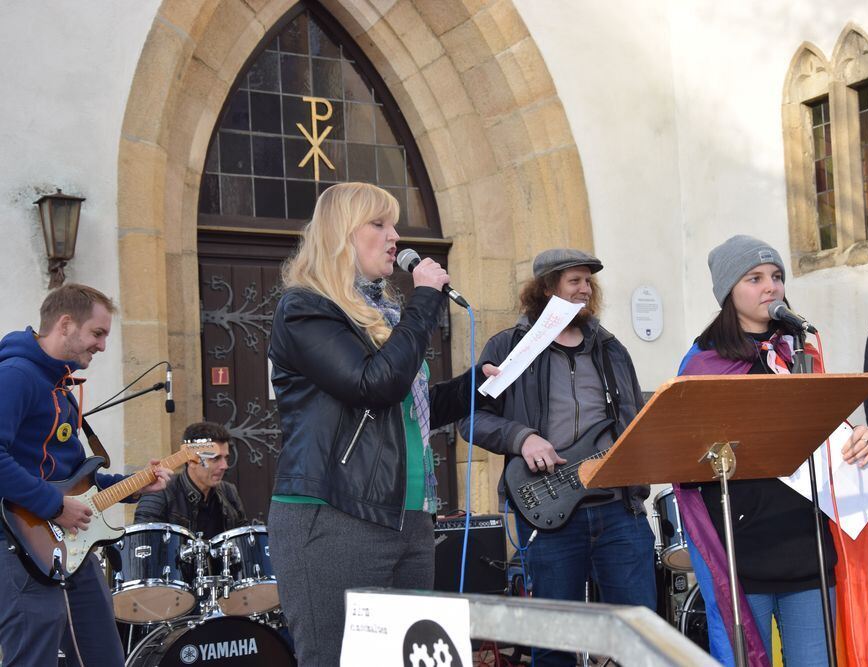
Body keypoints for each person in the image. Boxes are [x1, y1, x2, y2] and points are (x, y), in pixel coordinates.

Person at [266, 182, 496, 666]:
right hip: (335, 515)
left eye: (394, 225)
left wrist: (474, 387)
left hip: (409, 517)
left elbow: (409, 407)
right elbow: (374, 385)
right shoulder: (306, 308)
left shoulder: (383, 315)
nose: (395, 237)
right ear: (341, 234)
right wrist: (425, 301)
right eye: (379, 224)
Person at [674, 235, 868, 666]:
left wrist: (858, 437)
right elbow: (687, 459)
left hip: (806, 543)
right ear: (728, 292)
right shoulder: (703, 365)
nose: (771, 286)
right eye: (755, 278)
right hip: (742, 549)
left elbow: (825, 433)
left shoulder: (799, 352)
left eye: (777, 276)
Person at [462, 248, 656, 667]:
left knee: (641, 640)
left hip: (619, 510)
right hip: (548, 513)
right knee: (554, 647)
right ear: (547, 289)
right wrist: (522, 438)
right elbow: (471, 418)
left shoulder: (610, 349)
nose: (585, 289)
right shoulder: (510, 347)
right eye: (575, 281)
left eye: (589, 281)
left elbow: (634, 420)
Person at [0, 283, 170, 667]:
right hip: (16, 543)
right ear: (65, 324)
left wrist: (136, 485)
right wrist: (54, 506)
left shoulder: (59, 388)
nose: (103, 346)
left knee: (103, 656)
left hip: (68, 546)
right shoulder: (15, 376)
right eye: (98, 333)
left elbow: (78, 480)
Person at [135, 421, 247, 535]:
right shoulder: (161, 491)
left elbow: (244, 538)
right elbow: (143, 538)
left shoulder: (229, 491)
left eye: (226, 458)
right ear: (191, 461)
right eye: (215, 458)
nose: (224, 466)